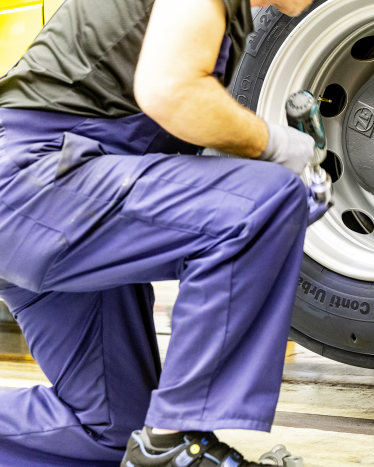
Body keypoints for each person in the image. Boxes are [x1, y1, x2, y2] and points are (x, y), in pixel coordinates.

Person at [0, 0, 320, 465]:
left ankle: (155, 441)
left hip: (55, 196)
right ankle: (173, 441)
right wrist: (277, 147)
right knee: (263, 201)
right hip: (33, 184)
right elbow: (172, 91)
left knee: (112, 427)